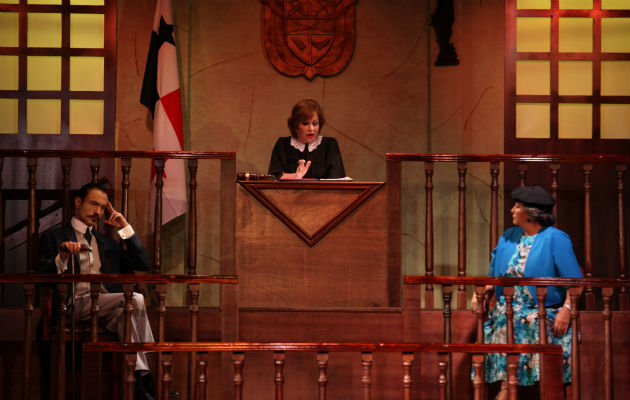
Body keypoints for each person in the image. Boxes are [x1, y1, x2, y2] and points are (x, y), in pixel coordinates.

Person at [37, 182, 156, 400]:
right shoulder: (54, 237)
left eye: (102, 207)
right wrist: (62, 256)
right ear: (78, 202)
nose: (98, 212)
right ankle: (150, 380)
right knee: (135, 300)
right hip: (73, 306)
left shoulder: (105, 242)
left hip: (106, 308)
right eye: (94, 204)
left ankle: (141, 385)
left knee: (127, 315)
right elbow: (41, 274)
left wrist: (124, 227)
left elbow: (143, 262)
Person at [475, 186, 583, 399]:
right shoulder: (509, 236)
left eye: (517, 207)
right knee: (503, 323)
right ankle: (506, 389)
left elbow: (576, 281)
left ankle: (516, 390)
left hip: (542, 311)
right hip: (507, 312)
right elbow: (493, 273)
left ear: (531, 214)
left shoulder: (555, 238)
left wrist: (567, 309)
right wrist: (479, 292)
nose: (512, 211)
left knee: (527, 323)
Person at [268, 99, 346, 179]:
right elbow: (273, 177)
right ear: (295, 125)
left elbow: (337, 180)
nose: (311, 129)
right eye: (305, 123)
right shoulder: (283, 145)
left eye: (315, 124)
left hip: (323, 192)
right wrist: (295, 176)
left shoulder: (330, 145)